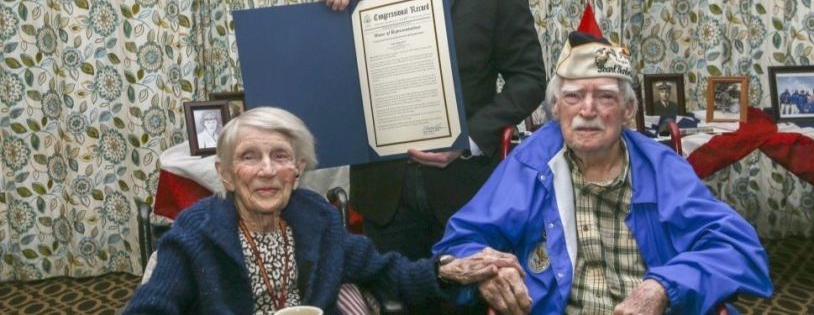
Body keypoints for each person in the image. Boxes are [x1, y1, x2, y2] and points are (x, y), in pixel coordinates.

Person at [433, 19, 773, 314]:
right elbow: (461, 241)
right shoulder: (530, 165)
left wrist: (664, 287)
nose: (588, 110)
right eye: (574, 96)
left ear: (628, 110)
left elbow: (738, 248)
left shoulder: (662, 169)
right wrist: (488, 271)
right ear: (556, 109)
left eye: (605, 97)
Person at [317, 0, 545, 264]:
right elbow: (345, 84)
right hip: (385, 195)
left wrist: (470, 139)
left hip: (468, 191)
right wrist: (329, 23)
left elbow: (529, 78)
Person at [125, 107, 525, 315]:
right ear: (226, 175)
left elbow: (389, 271)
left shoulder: (314, 218)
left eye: (280, 156)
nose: (267, 170)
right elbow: (151, 306)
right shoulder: (198, 231)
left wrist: (449, 269)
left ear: (298, 170)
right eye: (250, 157)